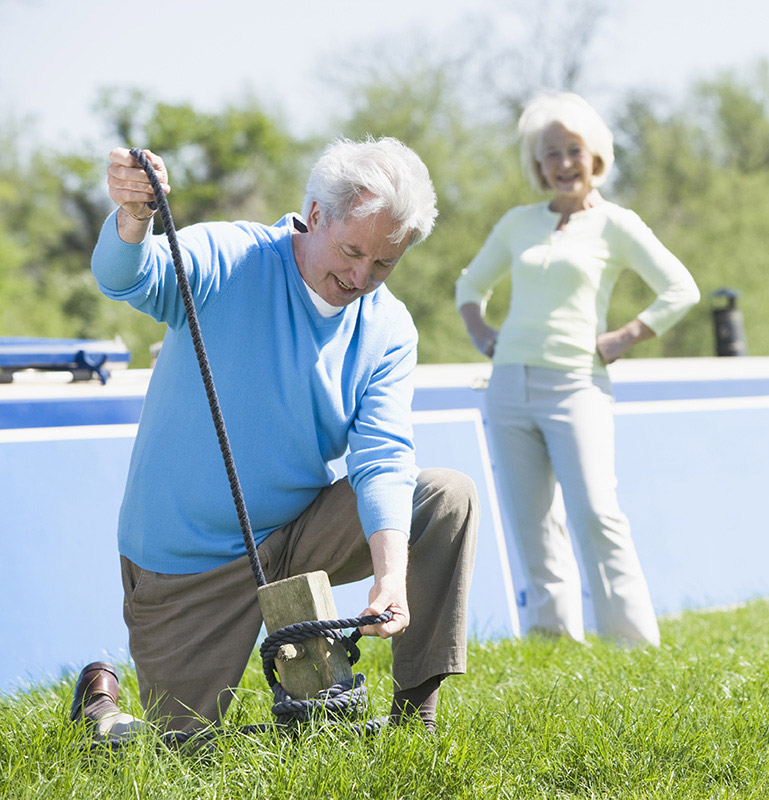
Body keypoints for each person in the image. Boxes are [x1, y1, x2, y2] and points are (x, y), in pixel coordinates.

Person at [71, 138, 478, 741]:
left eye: (385, 264)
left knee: (446, 496)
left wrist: (392, 577)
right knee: (176, 754)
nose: (360, 276)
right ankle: (99, 712)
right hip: (186, 564)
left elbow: (384, 456)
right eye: (351, 251)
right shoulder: (228, 255)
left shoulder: (390, 328)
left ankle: (413, 717)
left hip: (296, 539)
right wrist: (136, 216)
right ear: (316, 216)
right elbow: (126, 279)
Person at [456, 92, 700, 646]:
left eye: (573, 150)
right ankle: (552, 640)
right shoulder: (518, 223)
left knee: (596, 514)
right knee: (531, 521)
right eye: (551, 154)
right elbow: (471, 284)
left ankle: (633, 643)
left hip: (577, 386)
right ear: (536, 166)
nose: (563, 163)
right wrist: (481, 332)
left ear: (595, 157)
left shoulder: (617, 224)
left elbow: (680, 289)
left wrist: (625, 337)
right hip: (507, 387)